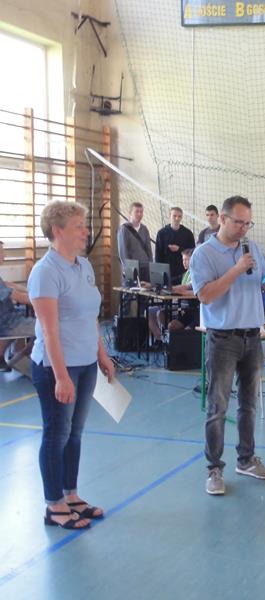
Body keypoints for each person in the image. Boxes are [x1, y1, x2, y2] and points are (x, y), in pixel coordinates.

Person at [191, 195, 265, 495]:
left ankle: (247, 459)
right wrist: (237, 269)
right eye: (239, 222)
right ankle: (214, 469)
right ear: (222, 219)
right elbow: (205, 295)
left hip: (253, 336)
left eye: (248, 223)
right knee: (218, 407)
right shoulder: (204, 254)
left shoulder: (252, 248)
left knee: (249, 405)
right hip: (222, 338)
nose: (243, 228)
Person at [28, 201, 116, 529]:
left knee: (74, 433)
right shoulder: (45, 272)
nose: (85, 231)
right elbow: (49, 331)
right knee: (57, 434)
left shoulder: (84, 266)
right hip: (57, 367)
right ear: (58, 230)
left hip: (86, 362)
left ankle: (71, 494)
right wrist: (61, 376)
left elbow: (91, 317)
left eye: (84, 225)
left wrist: (102, 354)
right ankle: (54, 504)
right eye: (79, 226)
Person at [147, 248, 198, 342]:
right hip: (182, 309)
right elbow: (171, 281)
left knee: (161, 314)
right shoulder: (185, 274)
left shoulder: (197, 274)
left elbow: (186, 286)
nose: (184, 262)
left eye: (187, 260)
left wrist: (170, 288)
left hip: (192, 310)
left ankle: (169, 340)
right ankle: (162, 340)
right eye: (183, 260)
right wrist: (152, 285)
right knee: (152, 312)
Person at [0, 240, 34, 374]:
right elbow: (20, 297)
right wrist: (46, 301)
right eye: (1, 252)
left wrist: (27, 289)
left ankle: (17, 353)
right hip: (8, 324)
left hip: (9, 318)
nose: (4, 255)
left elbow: (8, 285)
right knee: (44, 328)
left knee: (22, 313)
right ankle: (18, 358)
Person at [155, 207, 195, 285]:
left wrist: (179, 249)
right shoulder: (162, 233)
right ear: (169, 216)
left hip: (182, 271)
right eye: (174, 216)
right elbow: (158, 255)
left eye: (179, 216)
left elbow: (192, 252)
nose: (177, 218)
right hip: (167, 271)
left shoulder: (188, 233)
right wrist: (159, 273)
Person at [117, 201, 153, 282]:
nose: (139, 214)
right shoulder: (124, 229)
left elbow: (149, 250)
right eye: (137, 211)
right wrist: (129, 270)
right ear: (130, 213)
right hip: (133, 268)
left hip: (145, 268)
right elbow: (123, 253)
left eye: (141, 212)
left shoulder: (144, 229)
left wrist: (151, 266)